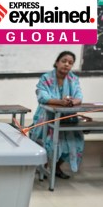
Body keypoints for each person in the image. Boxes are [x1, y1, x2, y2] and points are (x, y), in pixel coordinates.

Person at [29, 51, 84, 180]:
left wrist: (72, 102)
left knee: (76, 140)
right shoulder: (46, 78)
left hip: (67, 117)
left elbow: (79, 96)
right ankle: (45, 167)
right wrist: (60, 102)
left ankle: (56, 167)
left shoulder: (73, 79)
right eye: (64, 61)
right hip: (47, 116)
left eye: (70, 63)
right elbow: (42, 97)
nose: (67, 65)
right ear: (56, 63)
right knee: (49, 139)